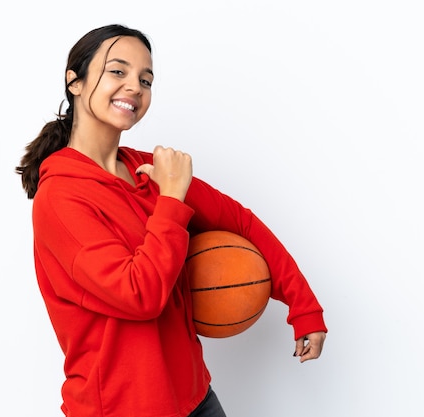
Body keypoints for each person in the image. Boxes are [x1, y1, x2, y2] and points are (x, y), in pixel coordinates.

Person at [16, 24, 327, 417]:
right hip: (123, 409)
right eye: (118, 71)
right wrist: (172, 197)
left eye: (146, 79)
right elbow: (139, 295)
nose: (135, 86)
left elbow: (241, 223)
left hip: (195, 397)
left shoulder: (148, 170)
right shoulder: (61, 197)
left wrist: (303, 307)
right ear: (74, 81)